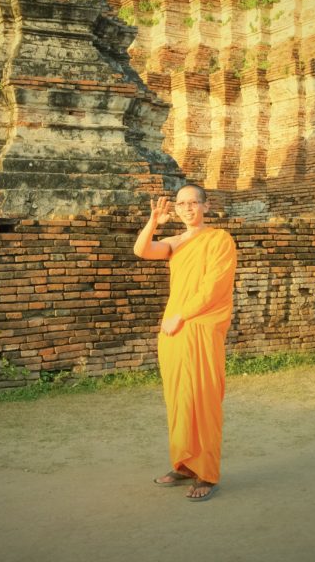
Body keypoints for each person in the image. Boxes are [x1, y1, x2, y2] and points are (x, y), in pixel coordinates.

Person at [132, 183, 237, 502]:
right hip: (174, 329)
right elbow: (142, 250)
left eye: (193, 203)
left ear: (206, 206)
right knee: (179, 399)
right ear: (175, 209)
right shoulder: (175, 242)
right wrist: (153, 222)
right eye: (181, 204)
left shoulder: (219, 239)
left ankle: (207, 472)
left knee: (203, 398)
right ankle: (184, 464)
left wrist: (184, 314)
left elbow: (214, 285)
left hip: (200, 325)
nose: (188, 208)